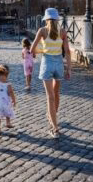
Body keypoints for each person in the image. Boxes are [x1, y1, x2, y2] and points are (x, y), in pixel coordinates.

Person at [30, 8, 71, 138]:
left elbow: (32, 49)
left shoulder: (42, 31)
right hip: (59, 64)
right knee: (56, 94)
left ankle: (55, 127)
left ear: (46, 19)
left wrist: (41, 50)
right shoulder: (63, 32)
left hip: (47, 63)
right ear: (57, 19)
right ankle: (53, 117)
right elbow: (68, 52)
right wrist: (69, 69)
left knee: (50, 97)